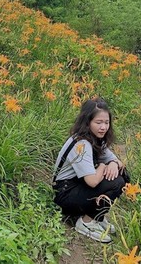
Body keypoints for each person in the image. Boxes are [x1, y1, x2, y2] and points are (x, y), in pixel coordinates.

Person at [52, 97, 128, 243]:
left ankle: (97, 217)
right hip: (64, 194)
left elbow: (118, 162)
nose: (103, 127)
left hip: (77, 186)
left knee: (122, 174)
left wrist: (112, 162)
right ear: (87, 122)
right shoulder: (82, 144)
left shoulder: (97, 139)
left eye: (106, 123)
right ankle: (86, 223)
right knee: (116, 182)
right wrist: (103, 165)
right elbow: (92, 182)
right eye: (98, 123)